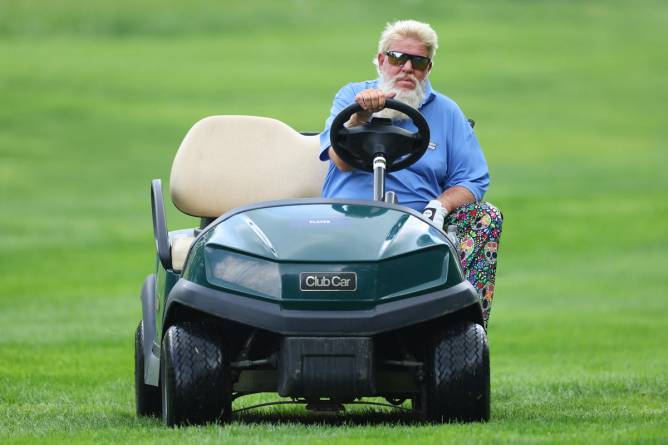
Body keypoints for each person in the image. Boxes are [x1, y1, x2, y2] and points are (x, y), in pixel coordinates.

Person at [318, 20, 503, 327]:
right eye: (397, 58)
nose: (406, 68)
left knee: (485, 216)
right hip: (347, 216)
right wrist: (360, 115)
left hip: (419, 224)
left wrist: (440, 206)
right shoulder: (352, 96)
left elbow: (473, 179)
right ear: (381, 60)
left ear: (428, 68)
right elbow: (340, 160)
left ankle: (464, 327)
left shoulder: (446, 111)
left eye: (417, 62)